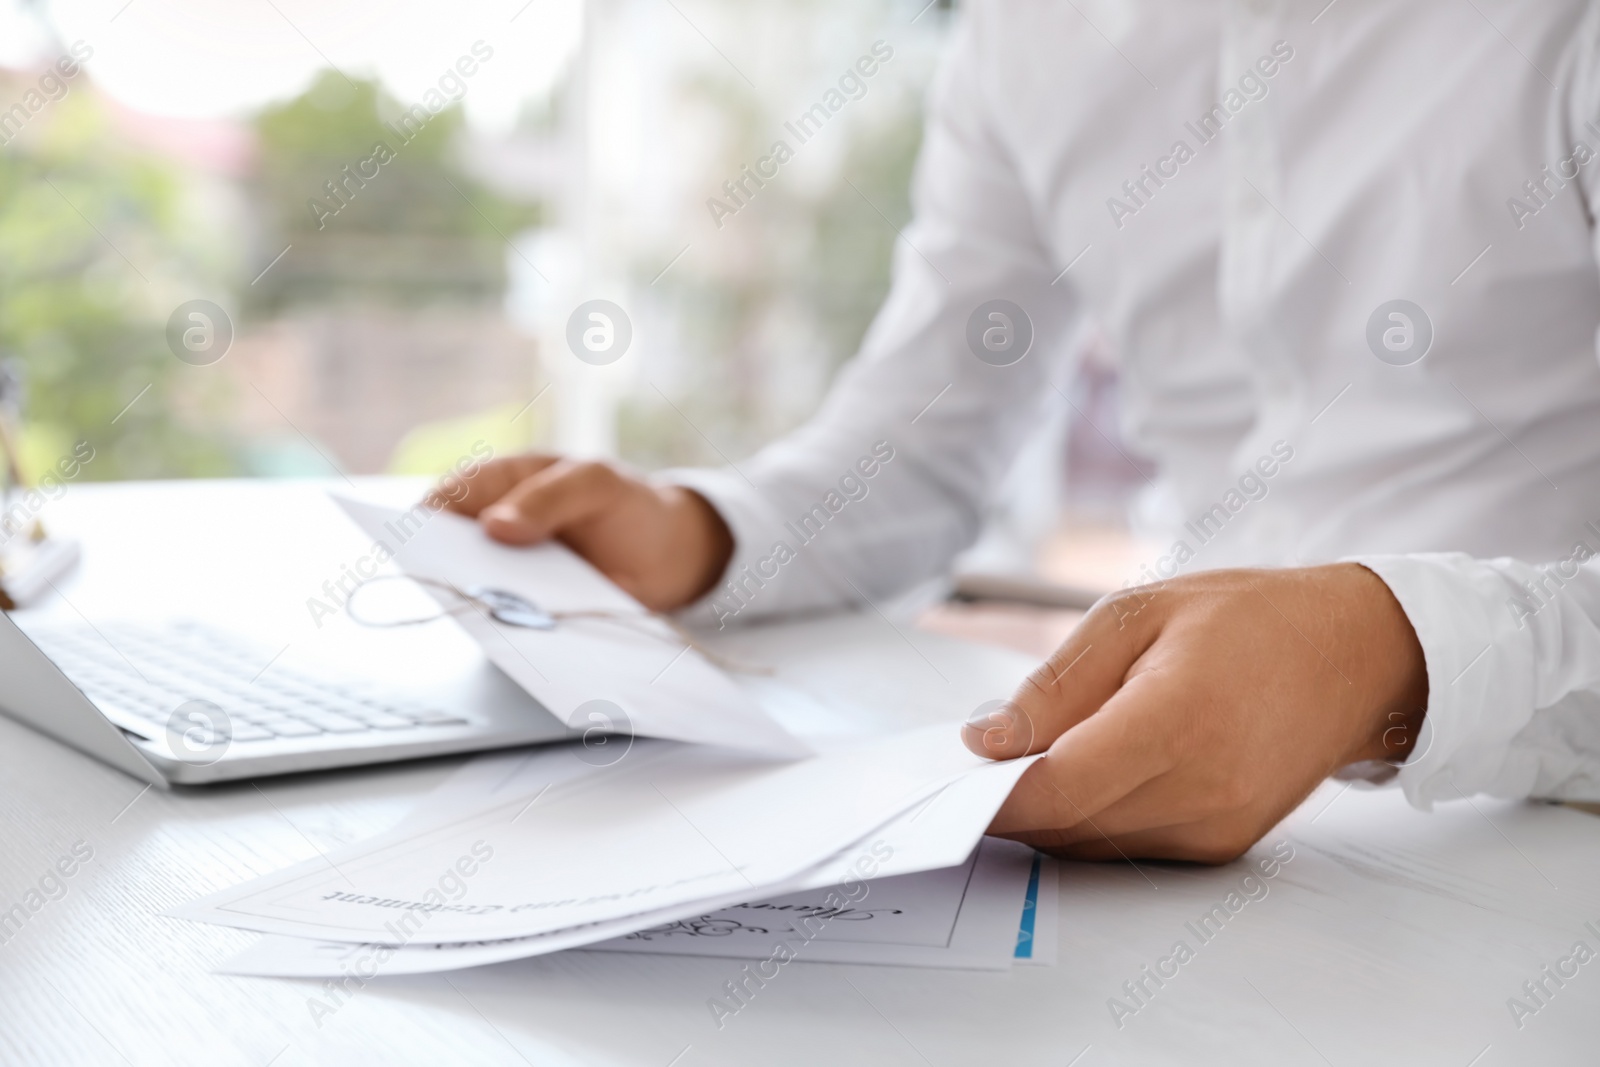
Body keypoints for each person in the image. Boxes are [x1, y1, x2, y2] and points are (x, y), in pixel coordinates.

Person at [438, 2, 1600, 863]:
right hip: (1193, 839)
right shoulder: (1028, 34)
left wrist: (1386, 661)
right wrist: (702, 532)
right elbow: (921, 442)